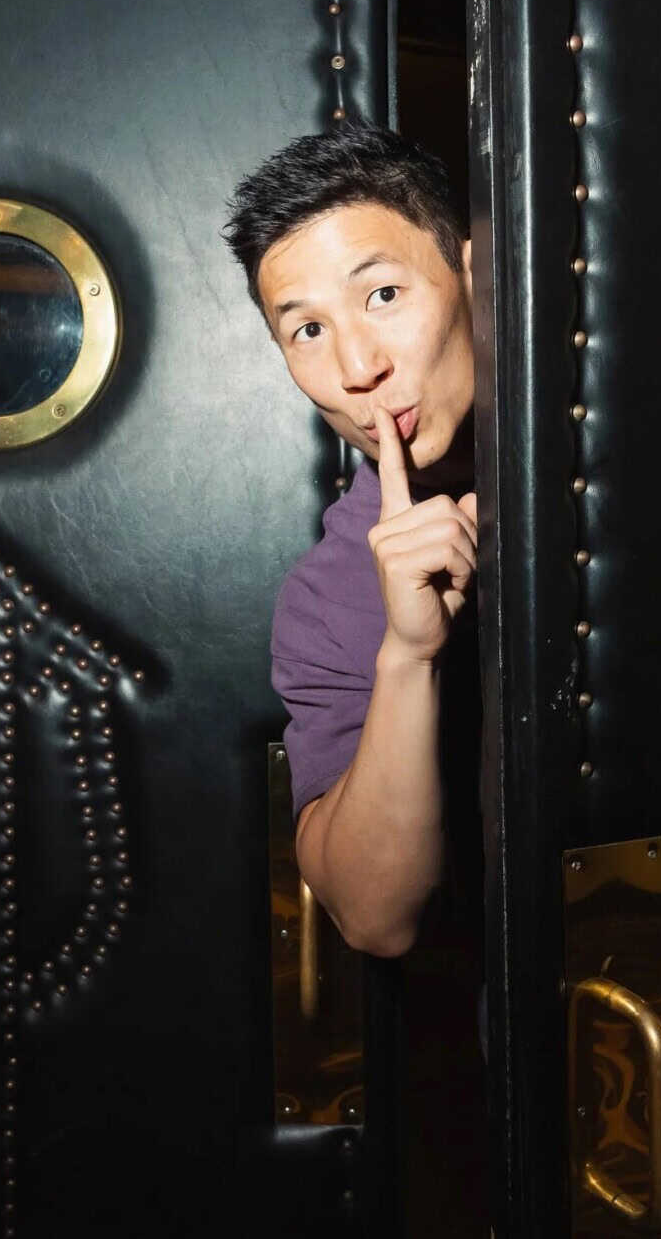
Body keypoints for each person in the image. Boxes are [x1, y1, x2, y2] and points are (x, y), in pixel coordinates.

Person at [223, 125, 479, 958]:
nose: (355, 367)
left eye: (382, 296)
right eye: (306, 331)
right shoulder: (329, 592)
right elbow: (374, 917)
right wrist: (409, 655)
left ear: (474, 275)